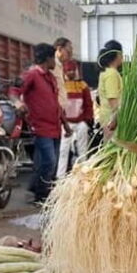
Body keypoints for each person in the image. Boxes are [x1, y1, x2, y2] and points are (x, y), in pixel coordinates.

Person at [13, 43, 70, 204]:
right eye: (53, 58)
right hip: (40, 128)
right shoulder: (31, 75)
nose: (55, 63)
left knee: (47, 163)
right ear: (48, 59)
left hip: (55, 128)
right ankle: (42, 196)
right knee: (49, 162)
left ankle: (37, 191)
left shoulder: (50, 78)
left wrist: (65, 124)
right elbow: (14, 90)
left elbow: (55, 103)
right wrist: (18, 104)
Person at [53, 38, 93, 176]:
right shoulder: (61, 84)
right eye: (68, 70)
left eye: (72, 70)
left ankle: (83, 176)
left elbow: (89, 104)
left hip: (80, 123)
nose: (70, 73)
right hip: (66, 123)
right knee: (63, 151)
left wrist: (88, 119)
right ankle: (60, 178)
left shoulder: (83, 86)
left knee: (83, 151)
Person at [97, 40, 123, 140]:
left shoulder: (107, 72)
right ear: (117, 54)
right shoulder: (111, 74)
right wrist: (114, 119)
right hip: (112, 120)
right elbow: (113, 100)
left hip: (110, 118)